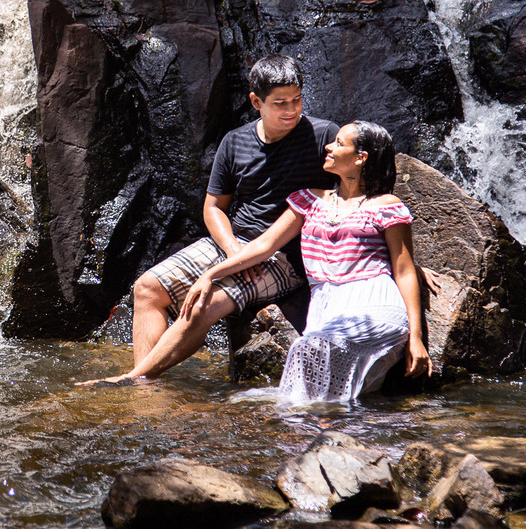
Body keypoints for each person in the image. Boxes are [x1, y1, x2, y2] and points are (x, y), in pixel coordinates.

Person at [78, 54, 338, 385]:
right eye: (280, 103)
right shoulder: (235, 142)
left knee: (201, 305)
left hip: (283, 256)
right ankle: (146, 384)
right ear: (256, 101)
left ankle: (135, 379)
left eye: (296, 100)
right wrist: (232, 252)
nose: (291, 110)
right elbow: (214, 207)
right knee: (146, 288)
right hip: (234, 244)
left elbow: (359, 191)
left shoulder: (323, 136)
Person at [184, 120, 430, 402]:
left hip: (373, 302)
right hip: (327, 305)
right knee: (319, 385)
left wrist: (416, 337)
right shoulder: (308, 200)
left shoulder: (386, 206)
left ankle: (301, 431)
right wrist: (211, 274)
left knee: (308, 355)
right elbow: (264, 246)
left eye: (339, 143)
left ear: (361, 158)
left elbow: (403, 270)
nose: (328, 146)